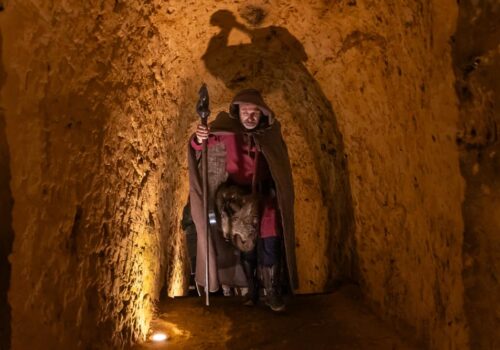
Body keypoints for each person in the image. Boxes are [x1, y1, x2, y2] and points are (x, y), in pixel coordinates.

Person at [187, 89, 297, 312]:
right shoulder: (227, 130)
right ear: (238, 112)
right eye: (245, 111)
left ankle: (273, 290)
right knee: (245, 242)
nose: (250, 116)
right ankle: (253, 290)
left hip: (264, 198)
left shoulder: (271, 133)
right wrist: (199, 137)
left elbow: (281, 168)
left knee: (270, 239)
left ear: (262, 113)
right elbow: (200, 145)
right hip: (238, 198)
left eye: (254, 111)